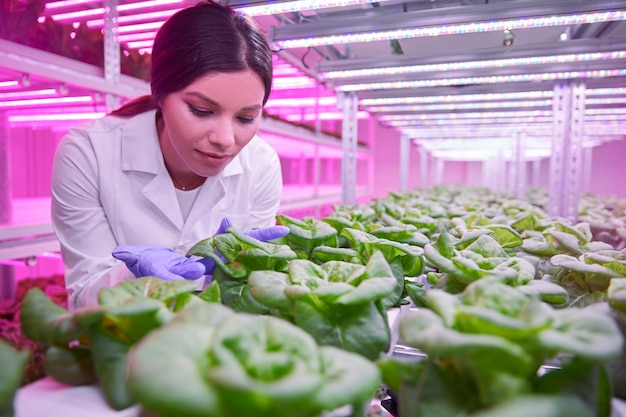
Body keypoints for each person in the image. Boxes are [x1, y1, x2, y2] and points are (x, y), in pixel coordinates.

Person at [50, 0, 288, 311]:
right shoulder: (88, 153)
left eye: (246, 118)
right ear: (160, 94)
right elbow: (83, 298)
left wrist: (244, 273)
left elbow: (249, 297)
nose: (225, 140)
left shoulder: (261, 165)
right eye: (202, 111)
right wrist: (130, 276)